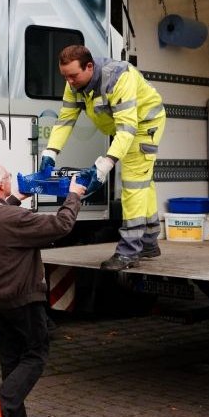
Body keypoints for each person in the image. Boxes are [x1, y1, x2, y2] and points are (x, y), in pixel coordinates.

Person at [0, 161, 86, 417]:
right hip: (21, 298)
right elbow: (61, 225)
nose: (11, 178)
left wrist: (15, 199)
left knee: (11, 358)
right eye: (8, 177)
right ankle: (0, 408)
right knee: (36, 354)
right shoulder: (13, 219)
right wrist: (74, 196)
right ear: (1, 185)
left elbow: (0, 213)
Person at [40, 44, 166, 271]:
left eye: (73, 76)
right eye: (65, 76)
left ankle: (129, 251)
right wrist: (50, 151)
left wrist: (105, 164)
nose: (69, 82)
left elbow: (128, 128)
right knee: (143, 182)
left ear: (89, 67)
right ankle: (149, 242)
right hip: (124, 128)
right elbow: (66, 119)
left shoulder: (119, 77)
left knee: (134, 184)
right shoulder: (75, 83)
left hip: (144, 125)